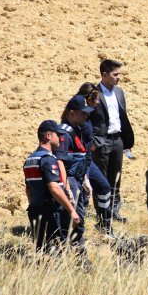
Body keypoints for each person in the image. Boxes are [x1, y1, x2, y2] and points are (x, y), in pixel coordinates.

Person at [89, 59, 135, 223]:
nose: (118, 78)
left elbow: (122, 116)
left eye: (119, 74)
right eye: (115, 75)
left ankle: (114, 211)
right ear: (104, 75)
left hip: (117, 140)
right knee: (101, 180)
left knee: (116, 178)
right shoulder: (94, 93)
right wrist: (93, 142)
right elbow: (87, 117)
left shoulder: (119, 92)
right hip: (101, 142)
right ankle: (102, 213)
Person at [24, 120, 80, 252]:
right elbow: (54, 188)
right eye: (57, 135)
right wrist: (71, 210)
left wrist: (34, 206)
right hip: (50, 212)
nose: (60, 138)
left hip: (35, 211)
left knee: (41, 250)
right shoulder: (48, 159)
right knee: (55, 252)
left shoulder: (30, 160)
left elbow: (28, 190)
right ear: (48, 136)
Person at [56, 95, 94, 245]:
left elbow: (81, 157)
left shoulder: (77, 130)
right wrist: (67, 188)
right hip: (70, 180)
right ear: (72, 113)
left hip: (78, 179)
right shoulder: (64, 133)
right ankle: (78, 251)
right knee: (75, 217)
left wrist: (86, 180)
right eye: (82, 112)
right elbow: (60, 161)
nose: (86, 115)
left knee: (80, 214)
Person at [77, 83, 114, 237]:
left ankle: (105, 225)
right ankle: (77, 233)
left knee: (104, 186)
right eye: (96, 99)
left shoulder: (87, 116)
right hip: (78, 160)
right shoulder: (78, 118)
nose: (98, 102)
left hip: (88, 159)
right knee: (81, 196)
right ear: (89, 99)